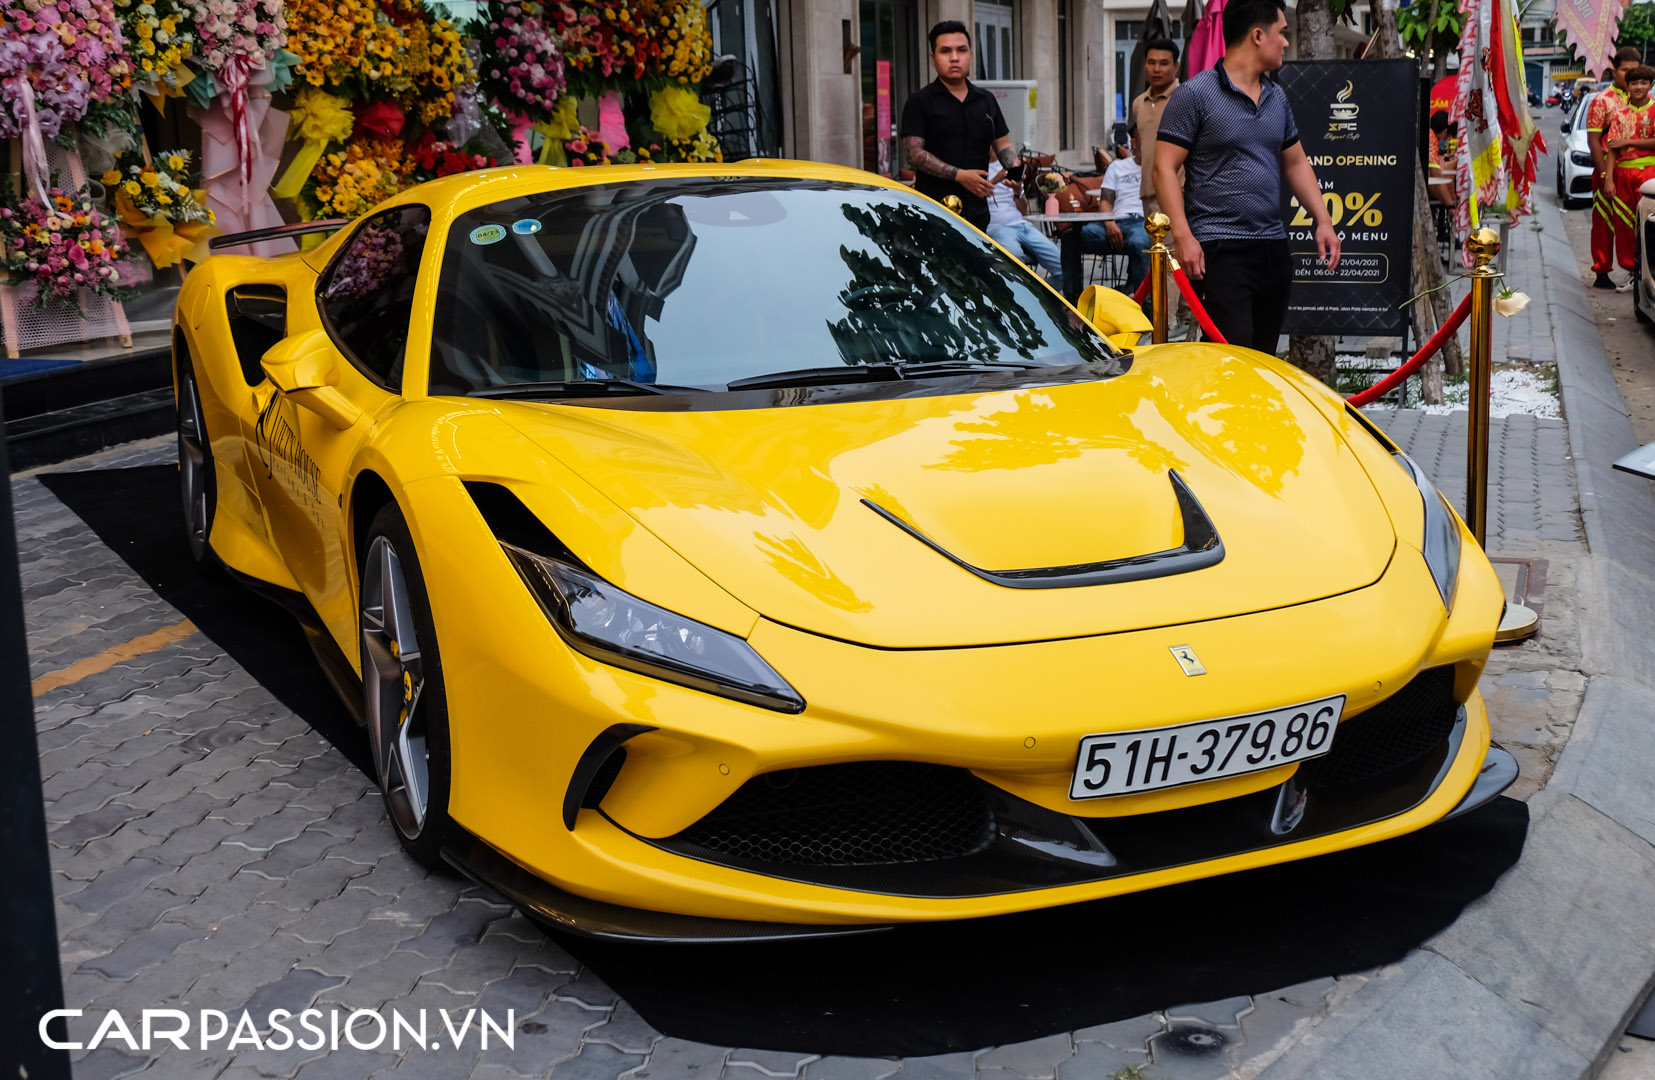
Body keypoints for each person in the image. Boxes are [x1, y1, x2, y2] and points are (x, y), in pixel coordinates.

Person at [1152, 0, 1340, 354]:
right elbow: (1163, 167)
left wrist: (1324, 220)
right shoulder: (1195, 94)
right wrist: (1183, 236)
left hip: (1272, 247)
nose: (1285, 42)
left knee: (1263, 359)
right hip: (1219, 250)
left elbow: (1296, 163)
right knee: (1230, 357)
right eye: (1281, 32)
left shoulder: (1277, 96)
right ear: (1258, 35)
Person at [899, 21, 1020, 232]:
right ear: (933, 58)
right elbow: (914, 154)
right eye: (946, 51)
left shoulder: (986, 100)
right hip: (934, 213)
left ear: (971, 54)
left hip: (979, 212)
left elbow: (1003, 144)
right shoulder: (920, 101)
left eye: (961, 50)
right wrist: (960, 176)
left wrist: (1015, 171)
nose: (955, 57)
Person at [1586, 47, 1645, 289]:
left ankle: (1637, 271)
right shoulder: (1602, 101)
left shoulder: (1642, 99)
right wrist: (1603, 175)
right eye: (1626, 71)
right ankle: (1602, 271)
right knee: (1604, 222)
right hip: (1608, 172)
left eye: (1636, 71)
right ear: (1615, 70)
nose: (1631, 77)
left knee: (1636, 223)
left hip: (1637, 173)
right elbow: (1593, 140)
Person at [1080, 132, 1151, 295]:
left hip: (1141, 222)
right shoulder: (1118, 167)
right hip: (1116, 221)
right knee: (1079, 234)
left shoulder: (1158, 167)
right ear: (1134, 142)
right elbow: (1105, 201)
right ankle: (1071, 298)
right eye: (1145, 138)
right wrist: (1109, 223)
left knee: (1139, 242)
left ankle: (1144, 302)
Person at [1606, 65, 1655, 291]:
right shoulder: (1619, 114)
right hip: (1623, 172)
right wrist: (1609, 179)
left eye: (1643, 83)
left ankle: (1647, 273)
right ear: (1628, 86)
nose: (1638, 87)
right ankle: (1630, 272)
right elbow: (1612, 148)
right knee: (1624, 224)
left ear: (1650, 86)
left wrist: (1629, 142)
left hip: (1649, 173)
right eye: (1634, 83)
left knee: (1647, 225)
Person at [984, 160, 1065, 291]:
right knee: (1015, 259)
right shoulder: (978, 167)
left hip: (1022, 225)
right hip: (998, 227)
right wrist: (995, 180)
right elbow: (974, 197)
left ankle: (1037, 297)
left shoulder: (1008, 165)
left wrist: (1018, 191)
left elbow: (1023, 210)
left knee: (1063, 268)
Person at [1132, 37, 1182, 219]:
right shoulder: (1139, 104)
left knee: (1174, 248)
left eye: (1164, 63)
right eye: (1151, 63)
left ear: (1176, 66)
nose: (1157, 69)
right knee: (1155, 247)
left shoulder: (1186, 99)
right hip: (1148, 193)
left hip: (1178, 193)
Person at [1427, 110, 1456, 206]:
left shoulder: (1427, 134)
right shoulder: (1432, 140)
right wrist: (1450, 205)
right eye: (1449, 137)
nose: (1448, 140)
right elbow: (1436, 177)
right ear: (1445, 132)